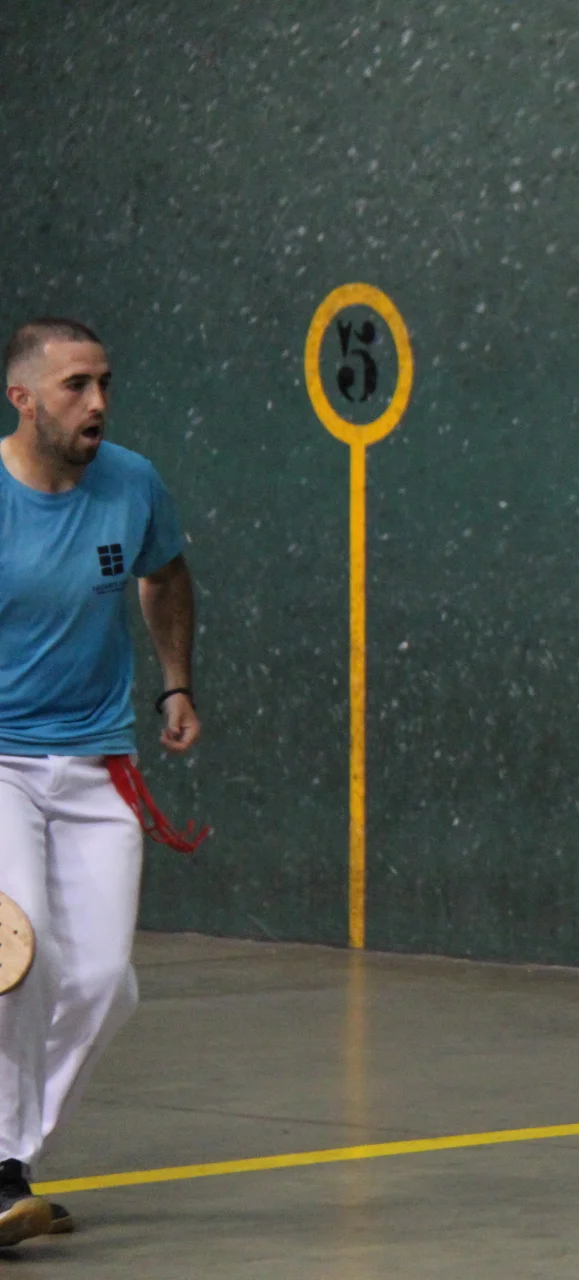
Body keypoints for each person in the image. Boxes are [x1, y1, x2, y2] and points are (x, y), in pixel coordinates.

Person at [0, 318, 203, 1243]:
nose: (98, 403)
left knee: (106, 982)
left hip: (97, 763)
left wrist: (175, 682)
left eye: (105, 383)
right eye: (76, 386)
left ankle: (13, 1158)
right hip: (2, 761)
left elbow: (166, 574)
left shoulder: (132, 482)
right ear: (23, 399)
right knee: (23, 955)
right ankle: (2, 1166)